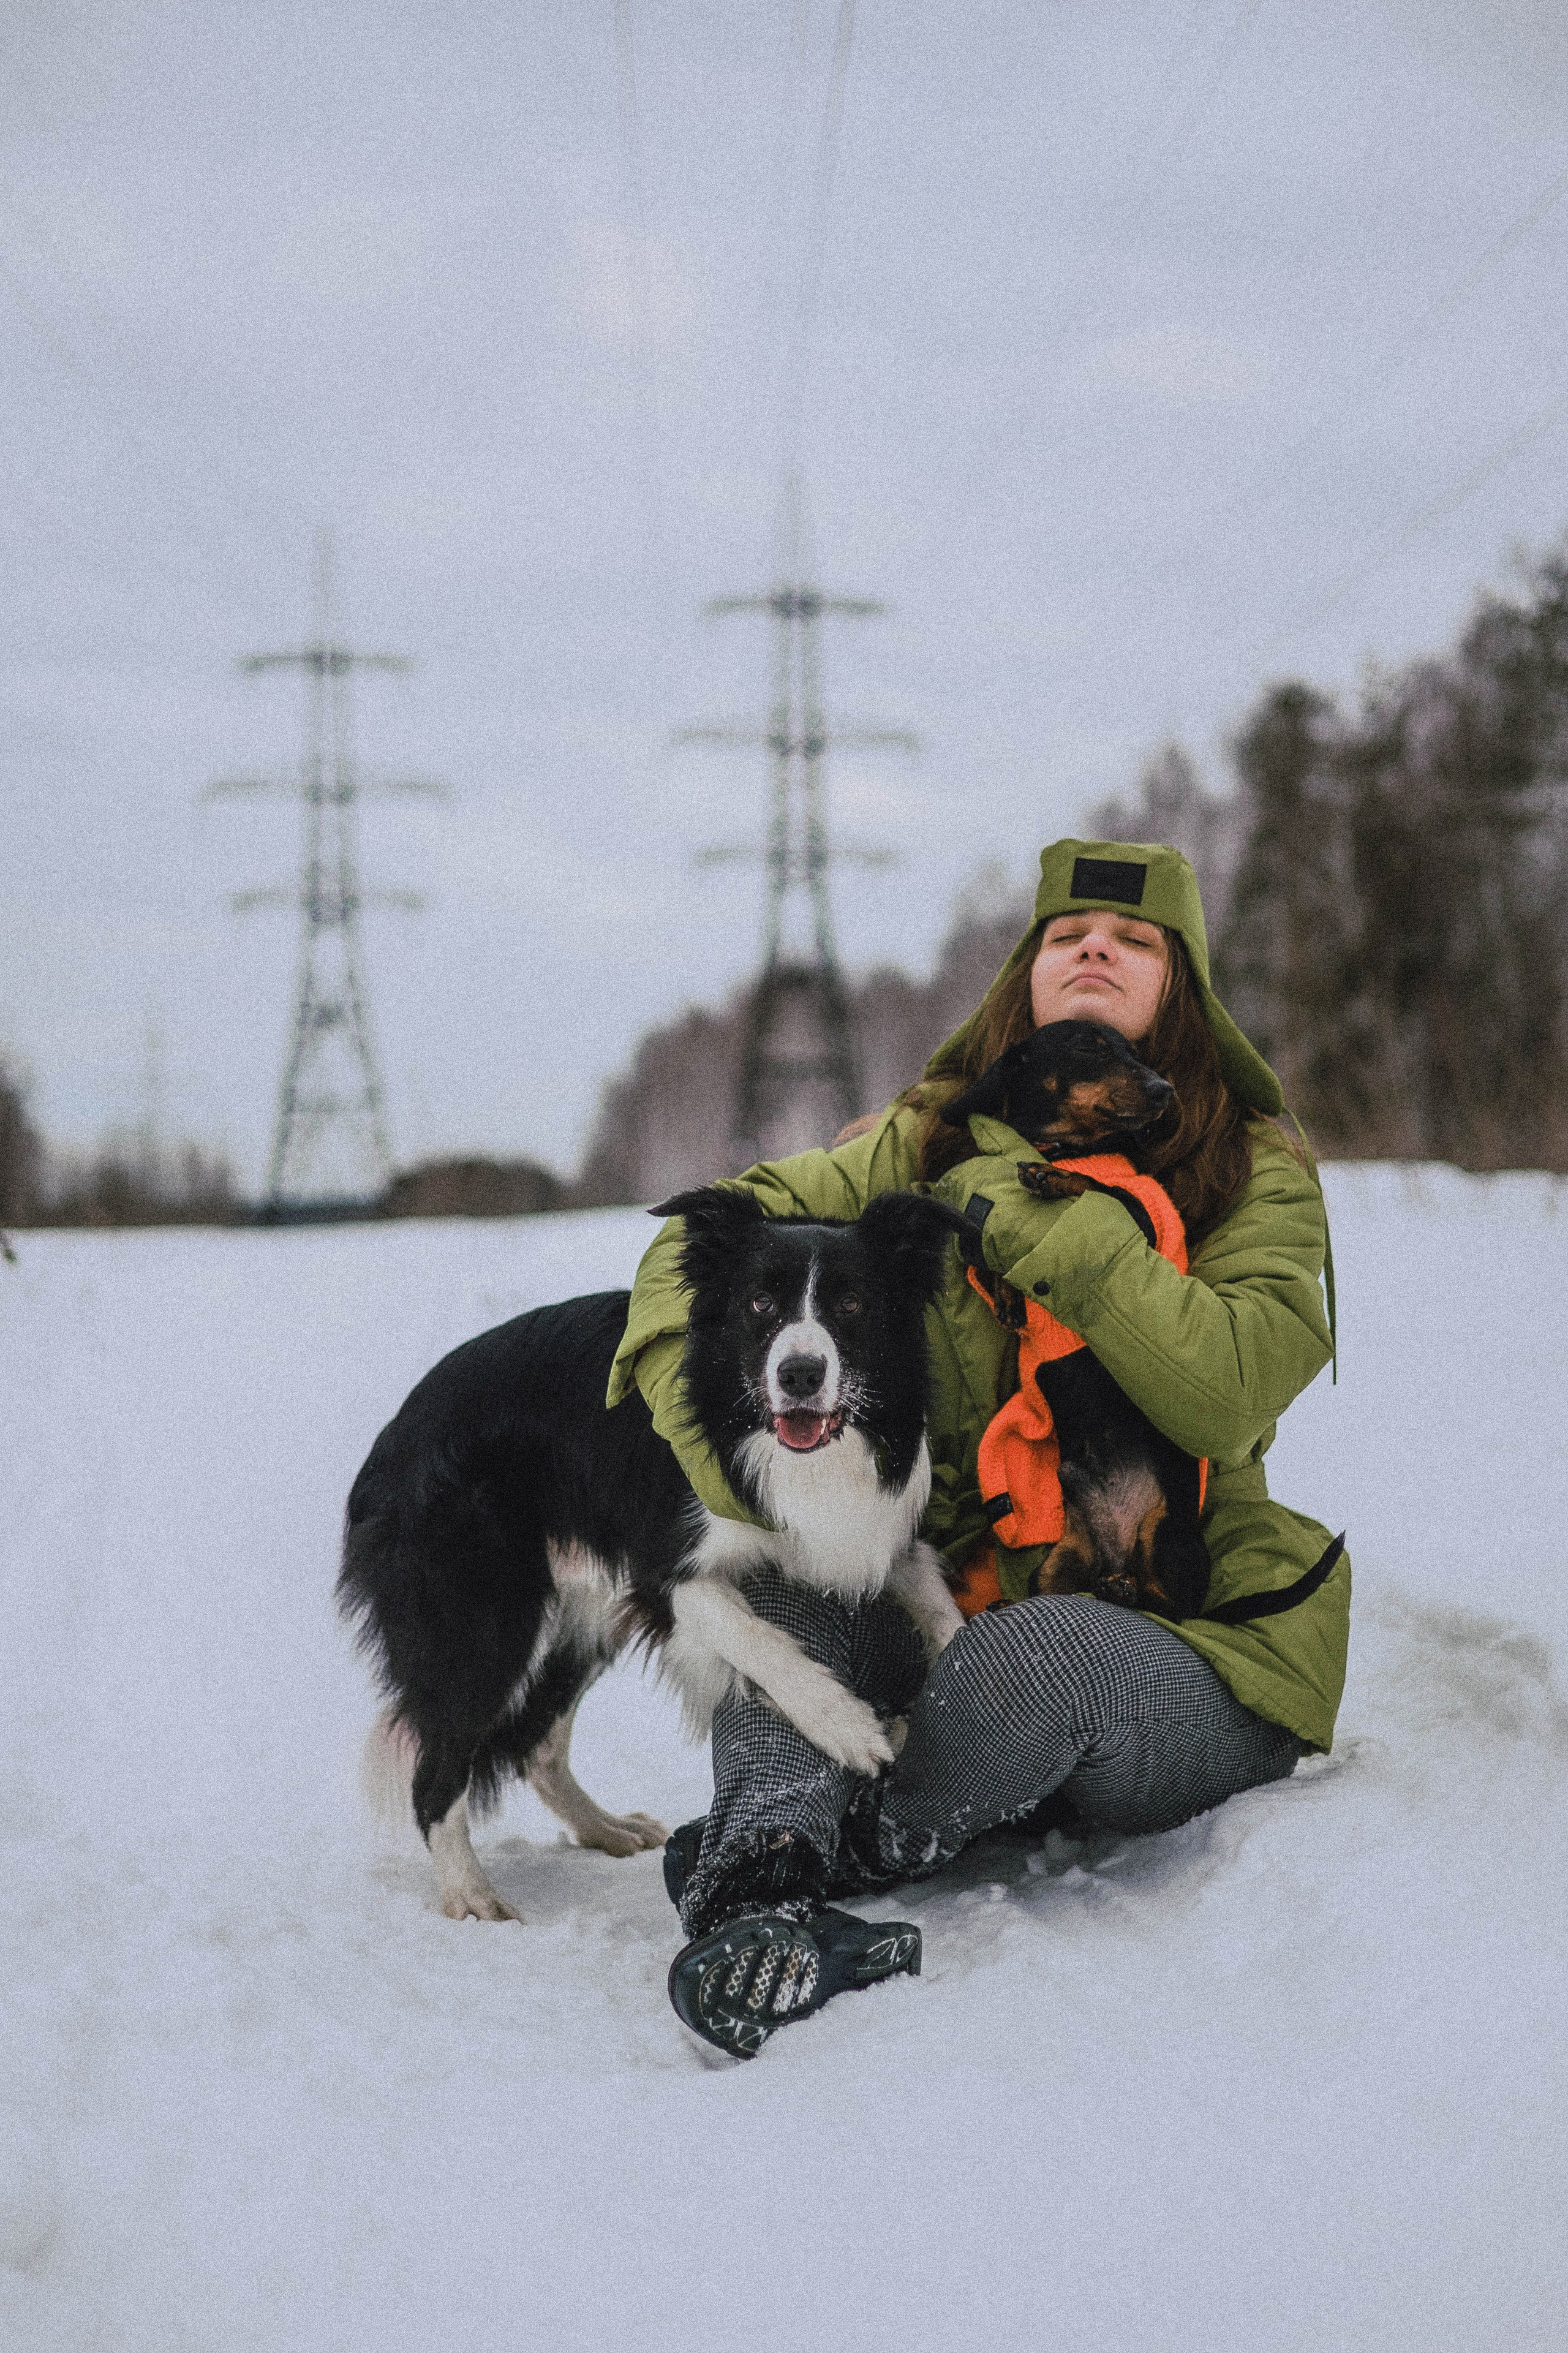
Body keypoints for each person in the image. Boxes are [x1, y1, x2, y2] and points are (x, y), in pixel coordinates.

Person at [606, 839, 1347, 2057]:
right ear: (1022, 984)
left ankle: (820, 1834)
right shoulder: (916, 1145)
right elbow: (692, 1261)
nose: (1095, 947)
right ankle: (759, 1912)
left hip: (1172, 1645)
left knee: (1034, 1652)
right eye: (1064, 935)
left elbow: (1222, 1389)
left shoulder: (1256, 1171)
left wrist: (1051, 1225)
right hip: (945, 1611)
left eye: (1133, 939)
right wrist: (722, 1458)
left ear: (1182, 990)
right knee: (778, 1596)